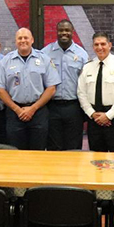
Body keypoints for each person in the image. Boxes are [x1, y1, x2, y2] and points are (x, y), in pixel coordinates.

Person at [0, 28, 60, 150]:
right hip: (14, 113)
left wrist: (33, 109)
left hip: (38, 112)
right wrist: (17, 110)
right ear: (16, 41)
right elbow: (0, 90)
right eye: (20, 38)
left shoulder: (44, 59)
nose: (23, 40)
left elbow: (52, 88)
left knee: (38, 151)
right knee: (15, 151)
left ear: (32, 40)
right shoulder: (6, 61)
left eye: (26, 38)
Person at [77, 31, 114, 152]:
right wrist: (91, 113)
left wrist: (108, 115)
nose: (100, 47)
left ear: (110, 45)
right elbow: (81, 93)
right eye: (96, 45)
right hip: (95, 119)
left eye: (103, 44)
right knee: (96, 161)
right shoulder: (87, 67)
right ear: (93, 47)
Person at [41, 19, 89, 151]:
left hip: (73, 106)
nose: (64, 33)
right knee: (53, 146)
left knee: (73, 146)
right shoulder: (45, 53)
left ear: (72, 32)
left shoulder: (82, 54)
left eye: (67, 30)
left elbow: (86, 83)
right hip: (52, 107)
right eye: (61, 30)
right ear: (56, 32)